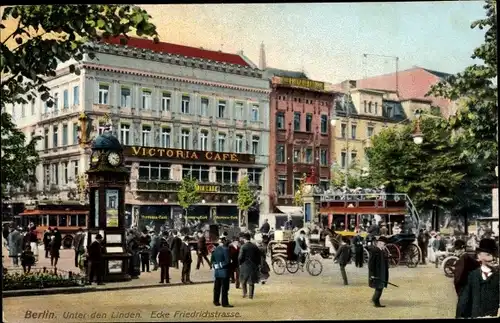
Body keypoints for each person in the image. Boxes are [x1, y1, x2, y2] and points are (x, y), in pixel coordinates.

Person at [456, 238, 499, 318]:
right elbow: (463, 302)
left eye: (495, 254)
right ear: (479, 256)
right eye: (488, 254)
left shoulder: (498, 276)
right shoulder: (472, 276)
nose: (493, 258)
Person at [368, 236, 390, 308]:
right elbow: (370, 264)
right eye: (384, 244)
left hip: (382, 271)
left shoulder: (382, 250)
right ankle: (376, 302)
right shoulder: (374, 250)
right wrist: (372, 274)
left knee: (380, 286)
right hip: (377, 272)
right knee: (379, 287)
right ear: (380, 243)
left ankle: (374, 299)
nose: (384, 245)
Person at [211, 236, 233, 307]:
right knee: (225, 288)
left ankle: (216, 301)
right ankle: (225, 303)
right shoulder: (226, 249)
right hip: (224, 271)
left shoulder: (215, 250)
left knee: (217, 287)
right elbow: (227, 261)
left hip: (217, 271)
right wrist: (220, 265)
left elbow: (213, 260)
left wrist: (216, 266)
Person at [238, 232, 261, 299]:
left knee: (243, 280)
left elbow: (240, 257)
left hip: (244, 265)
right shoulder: (254, 246)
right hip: (253, 265)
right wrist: (257, 264)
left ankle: (244, 293)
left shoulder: (243, 247)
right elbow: (258, 257)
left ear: (244, 239)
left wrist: (239, 263)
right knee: (251, 282)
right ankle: (251, 296)